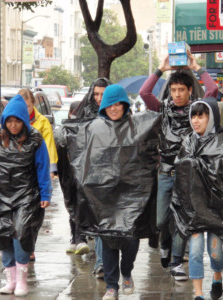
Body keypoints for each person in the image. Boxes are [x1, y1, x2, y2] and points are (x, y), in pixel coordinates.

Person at [65, 84, 161, 300]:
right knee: (107, 239)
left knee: (131, 239)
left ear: (125, 105)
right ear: (104, 106)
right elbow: (79, 153)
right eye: (110, 104)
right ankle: (111, 286)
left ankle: (126, 272)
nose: (114, 108)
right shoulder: (93, 129)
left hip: (132, 196)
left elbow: (154, 139)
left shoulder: (138, 126)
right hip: (104, 196)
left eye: (119, 103)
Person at [139, 51, 218, 281]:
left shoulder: (197, 109)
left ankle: (176, 263)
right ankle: (164, 244)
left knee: (182, 220)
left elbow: (212, 91)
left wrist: (197, 68)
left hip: (189, 173)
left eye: (181, 90)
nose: (177, 94)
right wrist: (161, 69)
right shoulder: (163, 108)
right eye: (173, 90)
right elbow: (144, 93)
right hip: (165, 171)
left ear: (189, 90)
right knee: (162, 220)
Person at [0, 94, 51, 297]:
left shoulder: (35, 140)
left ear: (24, 121)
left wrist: (45, 193)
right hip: (0, 196)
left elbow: (42, 168)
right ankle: (11, 280)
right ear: (4, 121)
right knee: (4, 236)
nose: (13, 125)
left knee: (21, 235)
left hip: (27, 197)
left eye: (17, 120)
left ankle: (22, 280)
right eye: (9, 121)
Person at [171, 98, 223, 300]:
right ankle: (198, 294)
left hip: (216, 208)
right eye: (193, 116)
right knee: (195, 251)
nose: (196, 121)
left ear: (210, 117)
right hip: (195, 209)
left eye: (201, 116)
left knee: (215, 252)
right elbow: (181, 175)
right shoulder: (188, 142)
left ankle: (217, 275)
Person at [56, 78, 110, 277]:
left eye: (103, 94)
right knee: (84, 206)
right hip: (84, 172)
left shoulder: (115, 112)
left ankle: (102, 260)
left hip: (106, 172)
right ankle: (83, 242)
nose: (98, 99)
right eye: (96, 94)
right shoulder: (84, 112)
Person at [18, 88, 58, 262]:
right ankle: (20, 246)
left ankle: (29, 246)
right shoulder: (13, 122)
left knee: (33, 215)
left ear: (33, 105)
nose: (25, 110)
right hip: (17, 175)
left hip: (35, 173)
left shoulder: (42, 122)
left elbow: (49, 145)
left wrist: (51, 169)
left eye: (27, 106)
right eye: (22, 106)